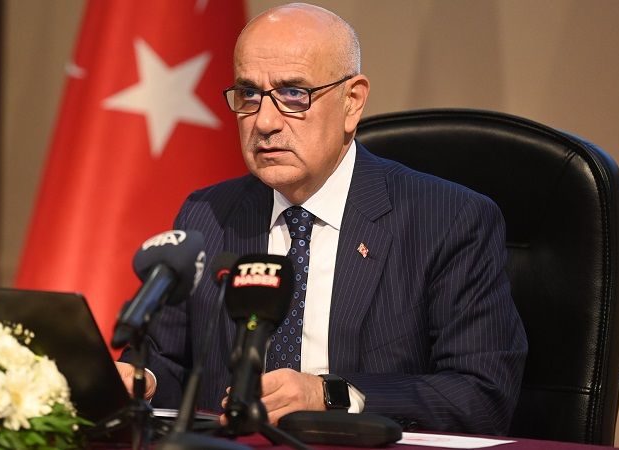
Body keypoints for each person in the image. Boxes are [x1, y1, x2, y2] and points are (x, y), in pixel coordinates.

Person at [117, 2, 527, 435]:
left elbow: (481, 396)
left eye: (293, 94)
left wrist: (330, 395)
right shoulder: (208, 215)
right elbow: (169, 363)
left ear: (352, 102)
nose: (265, 122)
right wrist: (142, 381)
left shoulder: (448, 220)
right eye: (249, 94)